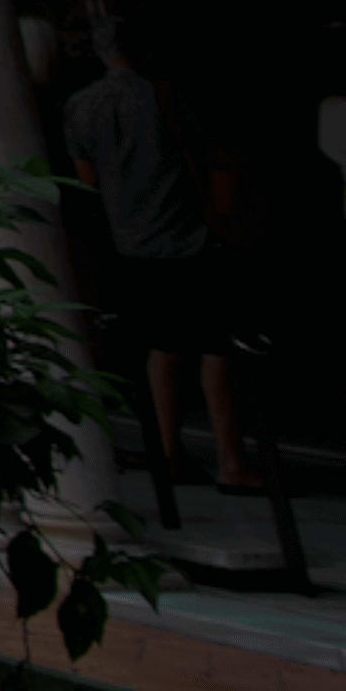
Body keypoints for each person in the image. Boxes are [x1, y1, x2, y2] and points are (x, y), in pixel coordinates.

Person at [68, 24, 255, 494]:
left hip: (130, 242)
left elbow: (86, 181)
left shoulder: (80, 106)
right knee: (217, 347)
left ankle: (169, 453)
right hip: (187, 235)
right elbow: (212, 160)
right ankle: (230, 461)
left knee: (163, 347)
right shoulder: (163, 97)